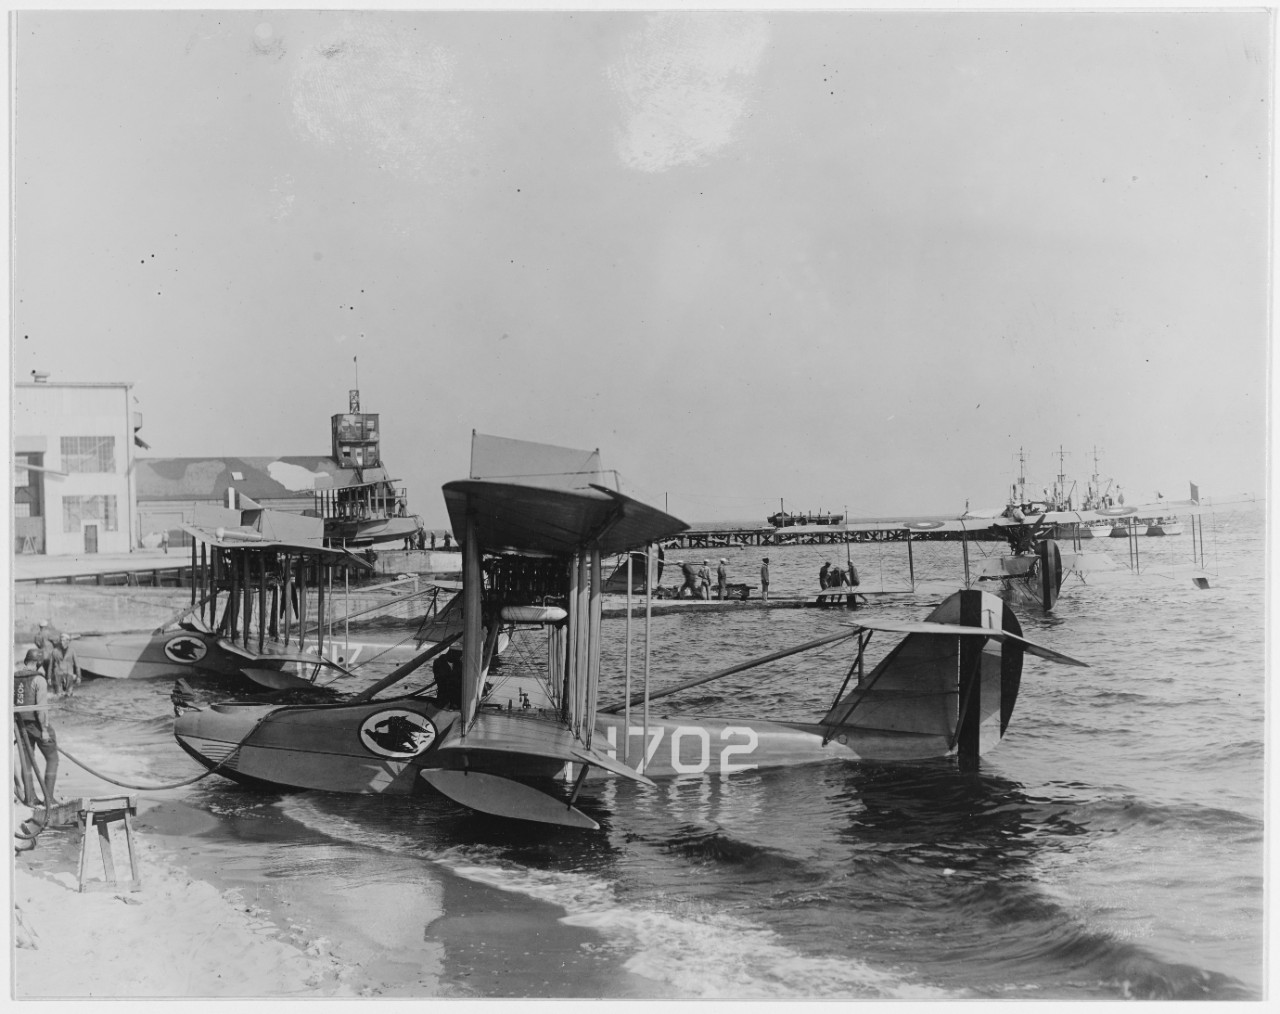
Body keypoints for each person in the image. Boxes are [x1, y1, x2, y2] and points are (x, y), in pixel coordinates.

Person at [13, 648, 59, 805]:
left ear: (26, 661)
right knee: (53, 757)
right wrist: (45, 730)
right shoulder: (39, 680)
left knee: (26, 761)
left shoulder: (13, 678)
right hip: (36, 725)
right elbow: (41, 709)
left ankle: (30, 798)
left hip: (20, 727)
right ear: (39, 664)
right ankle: (48, 798)